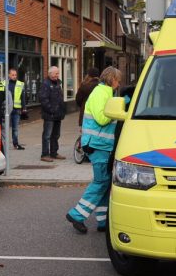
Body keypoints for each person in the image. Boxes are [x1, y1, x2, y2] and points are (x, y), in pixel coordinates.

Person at [66, 66, 122, 233]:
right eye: (118, 80)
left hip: (99, 144)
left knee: (104, 182)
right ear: (112, 79)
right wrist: (119, 109)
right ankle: (77, 215)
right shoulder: (101, 93)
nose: (119, 84)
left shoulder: (104, 92)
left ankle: (103, 221)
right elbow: (102, 119)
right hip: (98, 145)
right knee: (101, 182)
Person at [39, 65, 66, 162]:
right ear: (50, 74)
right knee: (47, 135)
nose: (57, 75)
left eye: (58, 73)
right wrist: (51, 110)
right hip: (49, 115)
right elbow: (43, 99)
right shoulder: (45, 84)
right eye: (56, 73)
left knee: (56, 135)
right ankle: (44, 154)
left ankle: (54, 153)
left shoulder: (58, 83)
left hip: (58, 114)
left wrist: (62, 110)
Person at [7, 68, 27, 150]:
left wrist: (24, 107)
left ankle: (15, 144)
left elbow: (23, 97)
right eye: (12, 75)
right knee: (5, 128)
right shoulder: (5, 83)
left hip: (16, 109)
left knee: (15, 128)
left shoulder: (20, 84)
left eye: (15, 75)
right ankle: (3, 145)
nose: (14, 76)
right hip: (7, 109)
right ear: (9, 75)